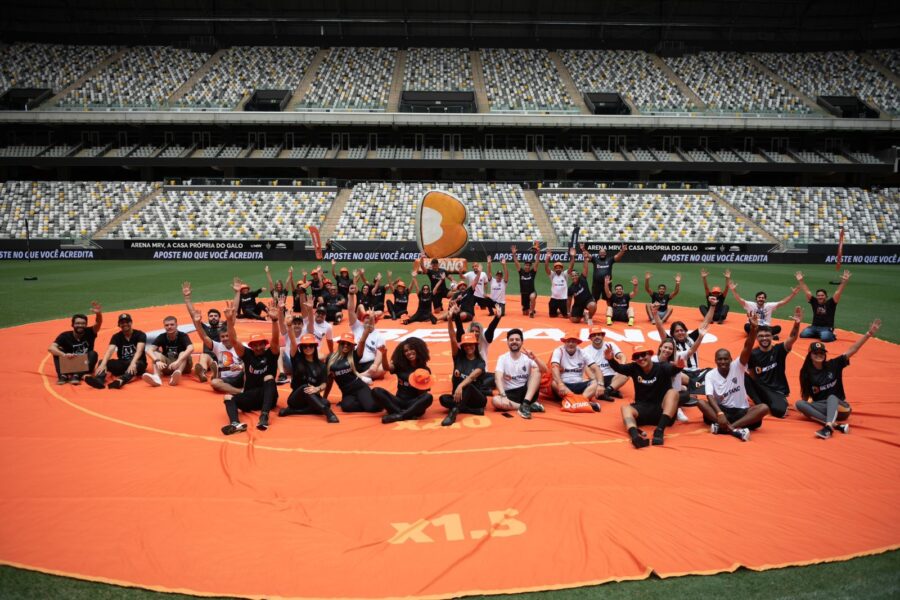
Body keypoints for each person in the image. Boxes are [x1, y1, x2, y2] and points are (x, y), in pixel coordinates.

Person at [796, 319, 880, 439]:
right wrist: (804, 408)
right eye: (815, 353)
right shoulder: (805, 373)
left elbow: (852, 350)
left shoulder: (833, 364)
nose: (819, 355)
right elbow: (805, 395)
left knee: (832, 397)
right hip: (822, 407)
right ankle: (835, 425)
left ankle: (828, 427)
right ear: (810, 355)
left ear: (825, 355)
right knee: (799, 404)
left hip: (841, 407)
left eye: (821, 353)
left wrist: (869, 334)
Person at [697, 313, 769, 441]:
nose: (723, 362)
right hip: (722, 411)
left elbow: (748, 346)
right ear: (715, 361)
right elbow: (709, 396)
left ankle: (729, 428)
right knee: (700, 402)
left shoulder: (738, 366)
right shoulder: (710, 375)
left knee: (763, 408)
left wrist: (753, 330)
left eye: (726, 359)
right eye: (720, 359)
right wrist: (719, 413)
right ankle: (735, 430)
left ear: (731, 359)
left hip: (741, 411)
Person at [220, 299, 281, 434]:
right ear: (251, 346)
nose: (258, 347)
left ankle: (264, 415)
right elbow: (234, 341)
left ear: (264, 344)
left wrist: (275, 321)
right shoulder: (247, 354)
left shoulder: (271, 353)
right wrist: (230, 321)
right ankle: (235, 424)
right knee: (228, 397)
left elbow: (275, 341)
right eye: (255, 344)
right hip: (251, 396)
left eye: (261, 344)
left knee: (269, 377)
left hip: (269, 397)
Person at [607, 343, 684, 448]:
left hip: (661, 411)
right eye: (637, 357)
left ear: (650, 355)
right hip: (642, 409)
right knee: (625, 408)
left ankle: (659, 431)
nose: (641, 358)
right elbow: (619, 368)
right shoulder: (634, 367)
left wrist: (678, 367)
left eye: (643, 355)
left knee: (673, 393)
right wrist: (611, 359)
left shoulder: (662, 367)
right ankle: (635, 436)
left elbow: (672, 369)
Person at [743, 306, 802, 419]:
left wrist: (797, 324)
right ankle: (759, 403)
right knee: (742, 375)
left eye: (767, 336)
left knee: (779, 411)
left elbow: (792, 337)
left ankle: (767, 403)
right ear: (756, 338)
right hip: (762, 389)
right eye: (761, 336)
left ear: (772, 337)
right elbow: (751, 374)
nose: (764, 338)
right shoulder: (753, 354)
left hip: (777, 391)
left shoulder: (779, 350)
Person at [278, 326, 339, 424]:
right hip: (296, 398)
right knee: (305, 388)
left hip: (313, 396)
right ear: (301, 348)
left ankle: (293, 411)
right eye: (305, 346)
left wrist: (317, 389)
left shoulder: (321, 365)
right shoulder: (297, 359)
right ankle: (327, 412)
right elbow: (293, 342)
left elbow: (324, 383)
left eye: (311, 345)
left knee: (326, 402)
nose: (308, 348)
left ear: (315, 347)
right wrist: (289, 326)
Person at [374, 337, 434, 424]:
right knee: (376, 391)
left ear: (418, 350)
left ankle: (399, 415)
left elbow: (423, 396)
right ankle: (405, 414)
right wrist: (384, 354)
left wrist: (419, 383)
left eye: (411, 349)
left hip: (413, 404)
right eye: (406, 351)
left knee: (428, 397)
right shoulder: (400, 365)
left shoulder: (425, 370)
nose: (409, 352)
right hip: (398, 402)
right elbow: (386, 368)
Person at [186, 304, 243, 394]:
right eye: (223, 337)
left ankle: (216, 373)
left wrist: (240, 367)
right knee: (214, 383)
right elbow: (204, 337)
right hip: (226, 378)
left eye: (227, 336)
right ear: (220, 338)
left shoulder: (241, 346)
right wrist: (197, 322)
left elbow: (250, 362)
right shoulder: (218, 346)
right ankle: (240, 392)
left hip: (241, 375)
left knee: (250, 370)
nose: (225, 338)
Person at [83, 313, 147, 390]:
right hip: (123, 363)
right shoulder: (116, 336)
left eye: (127, 322)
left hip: (138, 362)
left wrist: (133, 363)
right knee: (102, 361)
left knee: (137, 363)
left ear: (131, 322)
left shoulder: (140, 334)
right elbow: (110, 350)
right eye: (122, 323)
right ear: (119, 325)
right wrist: (103, 364)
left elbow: (139, 351)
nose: (125, 324)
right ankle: (99, 380)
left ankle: (121, 380)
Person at [450, 301, 501, 393]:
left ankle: (476, 388)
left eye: (477, 331)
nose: (475, 333)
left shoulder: (484, 340)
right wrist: (457, 315)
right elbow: (459, 329)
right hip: (465, 373)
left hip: (480, 373)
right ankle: (481, 390)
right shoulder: (464, 341)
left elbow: (491, 329)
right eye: (472, 331)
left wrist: (497, 318)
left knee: (498, 377)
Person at [323, 332, 380, 413]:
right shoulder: (330, 358)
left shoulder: (354, 356)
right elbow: (329, 380)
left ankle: (379, 399)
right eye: (343, 343)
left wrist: (366, 332)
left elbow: (362, 343)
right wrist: (324, 397)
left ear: (352, 346)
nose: (345, 345)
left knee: (371, 408)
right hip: (347, 392)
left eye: (348, 344)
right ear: (339, 344)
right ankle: (366, 401)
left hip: (360, 387)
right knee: (346, 407)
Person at [492, 328, 542, 419]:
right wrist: (503, 396)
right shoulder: (502, 358)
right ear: (507, 342)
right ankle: (525, 407)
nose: (514, 342)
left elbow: (545, 370)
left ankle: (526, 402)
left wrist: (535, 358)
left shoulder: (527, 357)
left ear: (522, 342)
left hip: (527, 392)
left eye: (517, 339)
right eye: (511, 340)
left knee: (537, 370)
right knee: (496, 401)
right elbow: (497, 378)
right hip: (511, 393)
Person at [49, 301, 102, 385]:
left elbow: (98, 323)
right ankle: (63, 376)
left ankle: (77, 375)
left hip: (85, 364)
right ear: (72, 325)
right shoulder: (64, 335)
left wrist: (98, 314)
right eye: (77, 323)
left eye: (83, 323)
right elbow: (51, 348)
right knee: (57, 351)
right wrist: (64, 355)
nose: (80, 325)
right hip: (69, 362)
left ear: (86, 325)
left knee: (93, 354)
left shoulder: (90, 332)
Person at [440, 331, 486, 427]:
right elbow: (452, 338)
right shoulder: (459, 358)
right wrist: (449, 319)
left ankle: (454, 412)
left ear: (475, 345)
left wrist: (460, 385)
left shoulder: (480, 362)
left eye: (470, 344)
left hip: (477, 399)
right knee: (443, 399)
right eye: (465, 345)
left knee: (468, 386)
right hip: (460, 398)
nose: (468, 347)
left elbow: (472, 377)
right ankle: (472, 411)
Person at [728, 277, 800, 338]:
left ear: (765, 299)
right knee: (746, 326)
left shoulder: (769, 305)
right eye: (759, 297)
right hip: (753, 326)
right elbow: (739, 299)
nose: (761, 299)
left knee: (778, 328)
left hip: (765, 326)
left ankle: (758, 334)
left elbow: (783, 302)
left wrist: (793, 294)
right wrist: (733, 290)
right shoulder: (750, 305)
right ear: (756, 299)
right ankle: (766, 335)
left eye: (763, 298)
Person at [796, 269, 850, 343]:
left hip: (826, 327)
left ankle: (832, 334)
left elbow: (838, 292)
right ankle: (820, 334)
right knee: (803, 335)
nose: (820, 297)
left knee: (825, 338)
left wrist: (844, 282)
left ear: (826, 296)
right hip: (814, 327)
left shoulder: (831, 302)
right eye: (818, 295)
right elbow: (807, 292)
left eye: (822, 295)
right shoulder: (814, 301)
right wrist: (801, 281)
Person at [347, 286, 386, 382]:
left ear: (375, 321)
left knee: (381, 369)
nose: (367, 320)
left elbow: (380, 353)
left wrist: (375, 365)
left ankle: (358, 376)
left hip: (368, 363)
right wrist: (351, 295)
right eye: (365, 318)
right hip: (353, 360)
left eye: (370, 318)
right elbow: (351, 311)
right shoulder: (356, 326)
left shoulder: (378, 335)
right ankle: (361, 376)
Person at [142, 315, 194, 387]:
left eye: (172, 324)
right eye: (167, 325)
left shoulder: (183, 335)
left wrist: (178, 361)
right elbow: (149, 350)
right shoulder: (162, 336)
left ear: (176, 325)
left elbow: (191, 348)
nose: (169, 327)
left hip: (183, 366)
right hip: (169, 366)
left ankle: (177, 374)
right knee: (156, 354)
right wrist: (157, 361)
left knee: (183, 352)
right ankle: (156, 377)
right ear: (164, 326)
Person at [182, 281, 225, 364]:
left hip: (222, 357)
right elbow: (193, 315)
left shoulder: (224, 328)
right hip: (208, 358)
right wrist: (187, 298)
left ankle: (214, 367)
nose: (213, 318)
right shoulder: (204, 329)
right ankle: (203, 373)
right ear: (208, 318)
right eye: (211, 316)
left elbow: (232, 318)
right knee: (203, 356)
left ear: (219, 318)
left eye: (215, 316)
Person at [549, 331, 600, 401]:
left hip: (579, 383)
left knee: (595, 383)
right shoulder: (558, 351)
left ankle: (576, 401)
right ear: (565, 342)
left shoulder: (583, 352)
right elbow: (554, 367)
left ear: (577, 343)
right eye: (568, 341)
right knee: (554, 383)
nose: (570, 344)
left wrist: (601, 385)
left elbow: (595, 367)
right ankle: (582, 401)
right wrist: (560, 384)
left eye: (573, 341)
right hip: (564, 385)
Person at [580, 326, 627, 400]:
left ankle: (606, 391)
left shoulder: (610, 345)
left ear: (603, 336)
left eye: (599, 334)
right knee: (585, 368)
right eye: (594, 335)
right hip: (596, 378)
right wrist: (596, 381)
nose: (597, 337)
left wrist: (622, 367)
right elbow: (586, 369)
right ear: (590, 338)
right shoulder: (585, 350)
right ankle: (610, 390)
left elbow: (622, 356)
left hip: (613, 377)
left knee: (626, 372)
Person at [545, 247, 577, 318]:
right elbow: (546, 267)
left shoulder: (565, 274)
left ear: (562, 268)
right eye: (556, 267)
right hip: (554, 299)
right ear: (554, 269)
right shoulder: (553, 275)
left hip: (563, 299)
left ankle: (563, 311)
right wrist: (547, 258)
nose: (558, 268)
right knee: (552, 316)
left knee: (566, 316)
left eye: (559, 267)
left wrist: (572, 256)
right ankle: (558, 311)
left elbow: (571, 267)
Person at [512, 242, 540, 317]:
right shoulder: (521, 272)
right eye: (526, 265)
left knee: (532, 297)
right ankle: (530, 309)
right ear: (524, 266)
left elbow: (537, 262)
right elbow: (516, 262)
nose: (527, 266)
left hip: (532, 292)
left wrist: (538, 253)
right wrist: (514, 254)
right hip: (524, 294)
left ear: (530, 266)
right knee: (524, 313)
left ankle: (531, 311)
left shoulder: (532, 272)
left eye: (528, 265)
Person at [567, 250, 595, 324]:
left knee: (593, 305)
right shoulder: (570, 288)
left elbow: (585, 268)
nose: (574, 276)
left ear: (578, 275)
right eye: (572, 276)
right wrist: (568, 311)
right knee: (574, 320)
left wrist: (585, 258)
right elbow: (569, 300)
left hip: (588, 300)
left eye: (576, 275)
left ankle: (589, 318)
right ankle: (584, 313)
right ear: (571, 277)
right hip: (578, 304)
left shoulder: (582, 279)